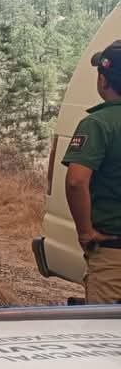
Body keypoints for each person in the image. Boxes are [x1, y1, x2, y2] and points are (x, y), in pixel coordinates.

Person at [63, 40, 121, 304]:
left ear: (103, 81)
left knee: (107, 339)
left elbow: (76, 181)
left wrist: (85, 232)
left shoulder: (97, 124)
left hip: (113, 254)